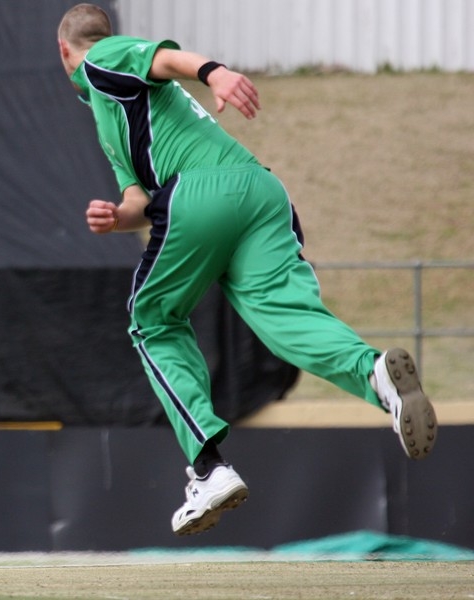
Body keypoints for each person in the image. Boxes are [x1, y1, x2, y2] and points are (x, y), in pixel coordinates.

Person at [57, 4, 437, 536]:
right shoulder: (113, 112)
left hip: (201, 192)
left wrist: (216, 71)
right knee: (284, 319)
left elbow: (163, 59)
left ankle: (208, 469)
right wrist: (116, 217)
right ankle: (376, 376)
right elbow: (139, 199)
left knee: (153, 322)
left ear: (63, 51)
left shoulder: (101, 58)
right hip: (259, 190)